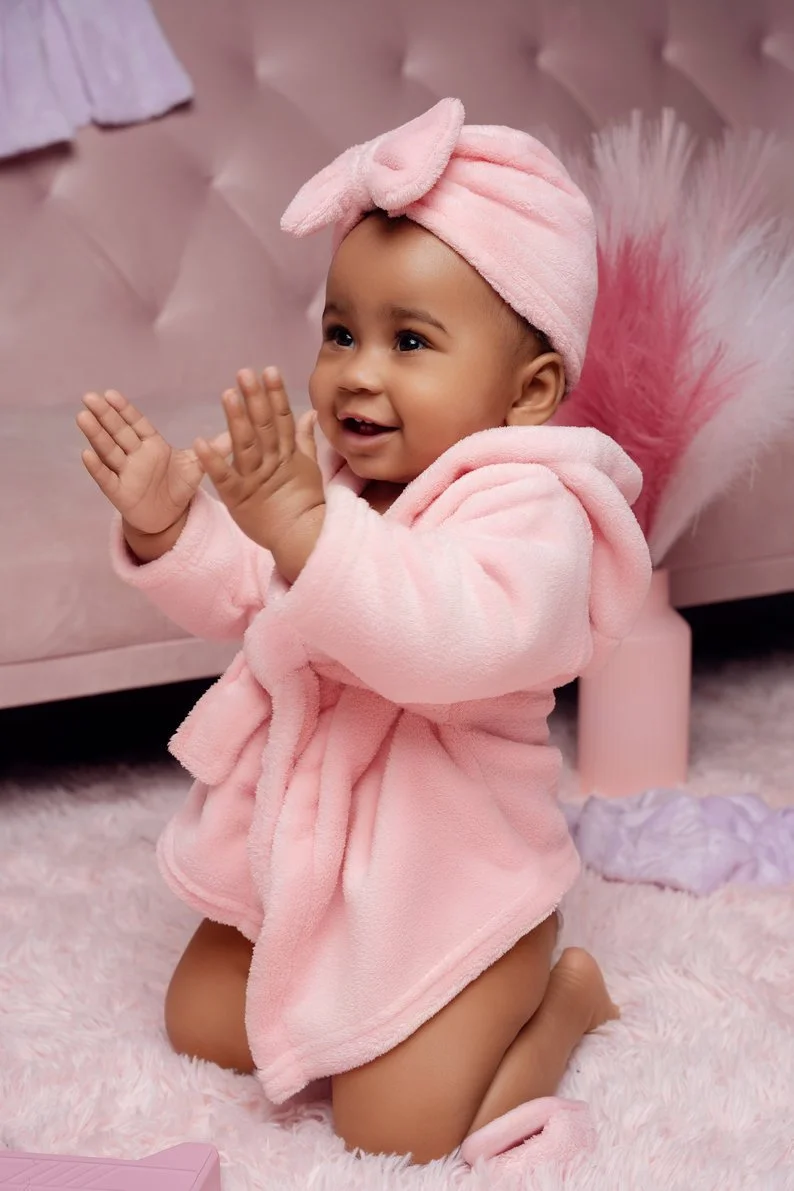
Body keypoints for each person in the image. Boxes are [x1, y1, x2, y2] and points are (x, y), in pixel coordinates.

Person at [76, 98, 651, 1167]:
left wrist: (305, 531)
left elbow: (453, 639)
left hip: (447, 862)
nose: (356, 370)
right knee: (201, 1026)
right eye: (339, 330)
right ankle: (346, 971)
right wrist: (174, 523)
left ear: (526, 393)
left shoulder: (535, 511)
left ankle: (549, 987)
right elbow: (250, 592)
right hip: (315, 842)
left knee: (399, 1131)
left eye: (409, 341)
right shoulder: (335, 477)